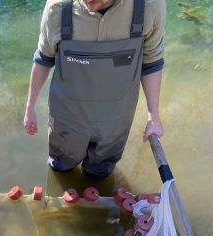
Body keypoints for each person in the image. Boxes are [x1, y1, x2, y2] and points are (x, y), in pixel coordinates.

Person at [23, 0, 166, 179]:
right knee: (60, 168)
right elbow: (43, 58)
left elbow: (152, 61)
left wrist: (154, 116)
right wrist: (30, 109)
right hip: (67, 118)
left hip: (116, 119)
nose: (89, 2)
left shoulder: (149, 6)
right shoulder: (57, 8)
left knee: (100, 173)